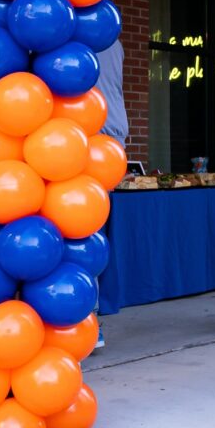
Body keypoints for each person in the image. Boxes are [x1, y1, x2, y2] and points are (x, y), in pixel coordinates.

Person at [93, 39, 130, 350]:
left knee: (83, 231)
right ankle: (90, 318)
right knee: (92, 231)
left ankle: (88, 320)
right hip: (111, 137)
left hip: (93, 137)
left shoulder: (76, 33)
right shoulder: (113, 41)